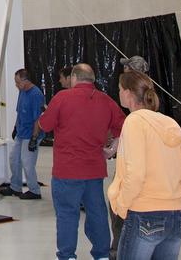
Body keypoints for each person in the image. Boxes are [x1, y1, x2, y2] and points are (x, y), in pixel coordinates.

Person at [108, 70, 181, 260]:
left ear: (128, 93)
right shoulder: (169, 123)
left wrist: (122, 206)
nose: (118, 93)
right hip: (176, 217)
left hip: (143, 214)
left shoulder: (134, 121)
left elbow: (136, 173)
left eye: (119, 89)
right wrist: (172, 198)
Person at [38, 62, 125, 260]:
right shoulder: (106, 100)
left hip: (66, 171)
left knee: (67, 215)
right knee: (97, 214)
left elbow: (45, 124)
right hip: (94, 170)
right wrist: (111, 150)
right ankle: (102, 254)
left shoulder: (62, 98)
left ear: (74, 78)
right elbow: (124, 126)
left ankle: (67, 255)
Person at [0, 68, 45, 199]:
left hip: (31, 134)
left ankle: (35, 191)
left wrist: (34, 138)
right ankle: (15, 187)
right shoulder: (22, 91)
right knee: (14, 159)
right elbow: (20, 112)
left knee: (27, 162)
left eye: (18, 82)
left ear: (25, 81)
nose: (16, 85)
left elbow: (38, 118)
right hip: (21, 133)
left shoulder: (36, 95)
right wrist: (15, 127)